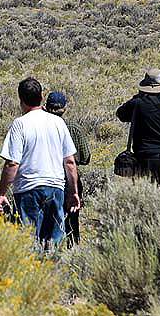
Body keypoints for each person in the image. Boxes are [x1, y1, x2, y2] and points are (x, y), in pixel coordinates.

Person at [0, 78, 79, 249]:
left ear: (20, 100)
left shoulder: (19, 125)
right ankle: (53, 273)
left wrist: (2, 193)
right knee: (54, 244)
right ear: (42, 97)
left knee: (30, 243)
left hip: (28, 190)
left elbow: (12, 164)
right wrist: (73, 192)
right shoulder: (58, 122)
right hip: (55, 189)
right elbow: (70, 162)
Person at [116, 68, 160, 186]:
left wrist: (136, 98)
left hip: (145, 157)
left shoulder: (137, 104)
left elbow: (120, 114)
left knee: (148, 195)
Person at [44, 91, 90, 245]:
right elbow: (85, 157)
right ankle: (72, 247)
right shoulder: (73, 128)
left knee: (48, 220)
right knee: (72, 219)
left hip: (46, 178)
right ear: (64, 108)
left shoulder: (40, 125)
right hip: (70, 179)